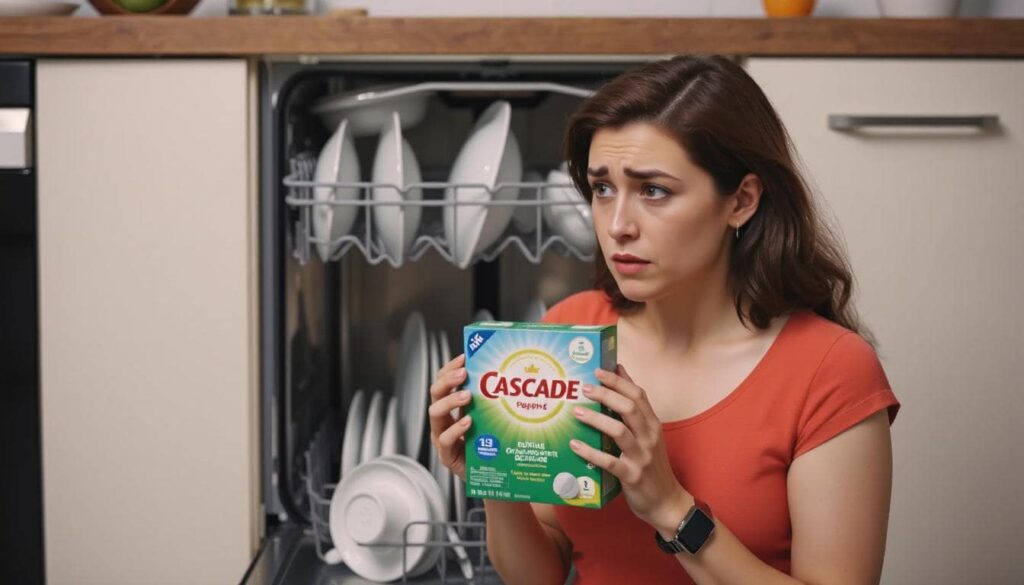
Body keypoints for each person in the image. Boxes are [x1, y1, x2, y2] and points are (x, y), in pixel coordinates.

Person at [428, 55, 900, 585]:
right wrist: (496, 484)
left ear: (741, 201)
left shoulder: (830, 372)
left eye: (653, 190)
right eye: (603, 188)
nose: (618, 226)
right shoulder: (573, 333)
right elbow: (540, 572)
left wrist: (670, 508)